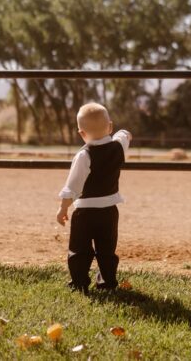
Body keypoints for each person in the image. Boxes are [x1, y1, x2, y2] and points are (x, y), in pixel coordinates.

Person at [56, 102, 132, 292]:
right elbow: (124, 135)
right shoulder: (118, 147)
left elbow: (73, 186)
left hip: (85, 212)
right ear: (110, 127)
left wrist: (63, 207)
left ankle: (80, 283)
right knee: (107, 251)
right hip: (109, 211)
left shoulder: (84, 155)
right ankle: (107, 284)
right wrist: (123, 133)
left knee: (79, 251)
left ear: (81, 133)